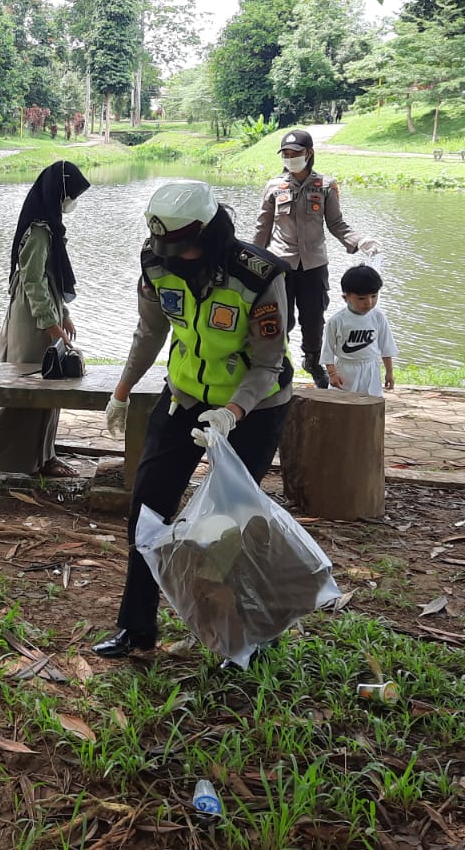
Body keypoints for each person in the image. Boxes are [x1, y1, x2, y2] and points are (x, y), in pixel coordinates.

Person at [92, 181, 294, 658]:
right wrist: (121, 392)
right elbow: (150, 330)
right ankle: (136, 629)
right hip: (183, 398)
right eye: (165, 247)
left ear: (208, 231)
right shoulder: (157, 260)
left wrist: (232, 413)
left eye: (183, 246)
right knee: (146, 511)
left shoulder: (258, 275)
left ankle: (245, 635)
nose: (174, 256)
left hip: (254, 407)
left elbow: (268, 362)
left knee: (229, 526)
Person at [0, 161, 90, 477]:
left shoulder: (49, 225)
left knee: (47, 385)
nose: (72, 202)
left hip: (43, 313)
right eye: (71, 195)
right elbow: (33, 281)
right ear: (58, 193)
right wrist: (50, 322)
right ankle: (12, 456)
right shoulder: (39, 230)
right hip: (32, 319)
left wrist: (64, 314)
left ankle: (42, 456)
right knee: (30, 385)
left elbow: (52, 279)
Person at [252, 129, 378, 390]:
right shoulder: (274, 186)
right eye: (286, 154)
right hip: (281, 265)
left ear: (308, 154)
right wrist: (251, 263)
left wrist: (358, 240)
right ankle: (277, 364)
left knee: (313, 319)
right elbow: (262, 229)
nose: (290, 158)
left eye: (295, 153)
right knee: (279, 319)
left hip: (314, 266)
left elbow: (336, 224)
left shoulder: (326, 186)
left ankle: (312, 361)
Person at [322, 264, 397, 396]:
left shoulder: (378, 317)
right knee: (342, 404)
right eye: (361, 298)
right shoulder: (337, 321)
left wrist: (389, 372)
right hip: (346, 370)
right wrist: (332, 373)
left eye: (374, 296)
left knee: (371, 403)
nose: (369, 303)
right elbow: (327, 349)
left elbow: (386, 346)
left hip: (371, 369)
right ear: (346, 298)